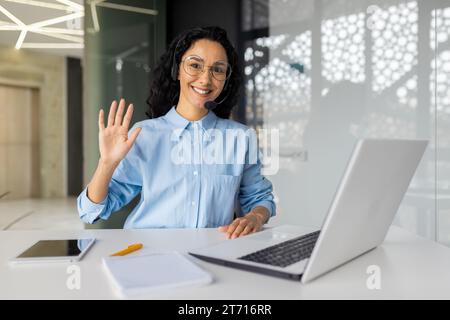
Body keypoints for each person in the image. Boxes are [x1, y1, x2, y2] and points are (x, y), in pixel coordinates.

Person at [77, 26, 276, 239]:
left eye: (217, 69)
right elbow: (90, 212)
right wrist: (106, 164)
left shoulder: (241, 138)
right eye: (195, 65)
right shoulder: (144, 135)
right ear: (177, 70)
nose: (206, 79)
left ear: (226, 79)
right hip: (148, 255)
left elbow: (260, 199)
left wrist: (255, 217)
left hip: (213, 255)